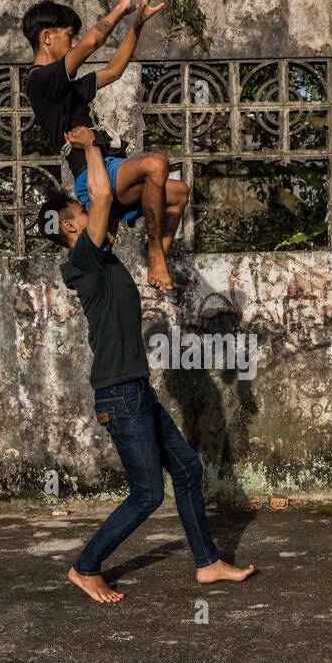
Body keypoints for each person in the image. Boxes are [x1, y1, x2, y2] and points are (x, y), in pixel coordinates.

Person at [39, 126, 254, 604]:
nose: (98, 211)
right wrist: (89, 148)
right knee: (146, 494)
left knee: (188, 468)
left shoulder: (105, 258)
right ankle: (85, 566)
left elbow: (157, 194)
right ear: (72, 227)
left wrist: (152, 208)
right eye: (82, 211)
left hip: (134, 389)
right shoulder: (83, 262)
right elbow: (97, 193)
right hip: (119, 393)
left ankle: (208, 562)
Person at [24, 0, 188, 292]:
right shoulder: (41, 81)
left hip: (113, 168)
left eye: (73, 36)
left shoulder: (66, 87)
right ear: (47, 38)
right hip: (93, 176)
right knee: (156, 164)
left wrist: (136, 24)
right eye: (68, 35)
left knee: (179, 192)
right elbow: (92, 43)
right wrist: (121, 8)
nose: (73, 43)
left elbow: (113, 70)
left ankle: (157, 262)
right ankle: (155, 254)